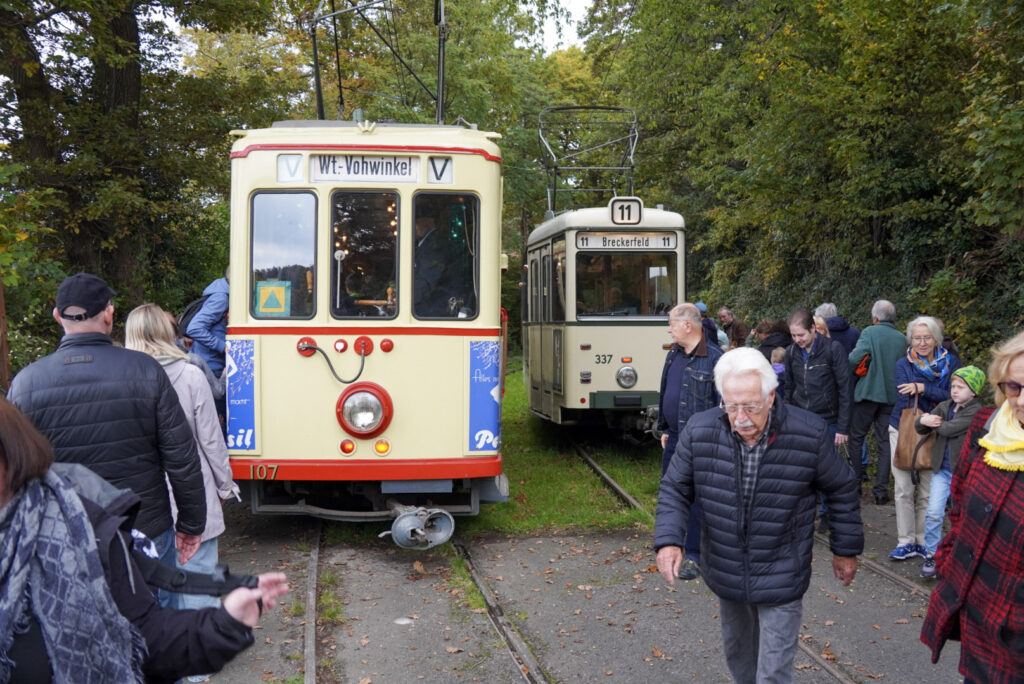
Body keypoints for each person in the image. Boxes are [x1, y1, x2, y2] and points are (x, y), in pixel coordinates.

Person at [0, 396, 288, 683]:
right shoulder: (160, 373)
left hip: (120, 517)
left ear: (11, 452)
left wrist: (224, 624)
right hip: (148, 515)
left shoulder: (81, 528)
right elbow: (188, 452)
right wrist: (202, 510)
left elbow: (145, 634)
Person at [655, 348, 862, 683]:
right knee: (740, 660)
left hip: (782, 569)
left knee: (773, 674)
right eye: (731, 405)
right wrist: (668, 541)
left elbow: (842, 487)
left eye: (750, 406)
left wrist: (845, 549)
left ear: (771, 396)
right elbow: (675, 489)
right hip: (726, 569)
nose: (740, 418)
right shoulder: (700, 430)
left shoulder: (807, 433)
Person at [6, 273, 206, 590]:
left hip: (67, 536)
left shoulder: (26, 384)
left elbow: (14, 473)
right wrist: (192, 525)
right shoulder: (145, 370)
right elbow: (181, 458)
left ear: (58, 317)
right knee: (156, 628)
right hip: (145, 531)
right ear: (109, 314)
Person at [920, 330, 1024, 682]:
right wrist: (947, 560)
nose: (1021, 400)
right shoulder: (987, 428)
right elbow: (960, 505)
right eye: (1014, 387)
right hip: (979, 608)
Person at [125, 306, 238, 617]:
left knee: (155, 578)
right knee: (199, 571)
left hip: (143, 492)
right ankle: (199, 660)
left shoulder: (122, 379)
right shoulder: (190, 374)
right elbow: (211, 440)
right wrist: (225, 487)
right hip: (192, 485)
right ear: (167, 332)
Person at [655, 303, 723, 581]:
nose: (668, 328)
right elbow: (666, 391)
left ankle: (694, 555)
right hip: (674, 438)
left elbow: (722, 407)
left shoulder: (716, 360)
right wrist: (664, 427)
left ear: (688, 325)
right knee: (671, 492)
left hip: (702, 443)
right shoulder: (673, 355)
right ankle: (670, 545)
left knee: (697, 499)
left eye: (672, 322)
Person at [886, 315, 959, 561]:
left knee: (928, 490)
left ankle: (923, 542)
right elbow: (906, 394)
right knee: (903, 488)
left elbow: (954, 396)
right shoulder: (902, 365)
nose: (922, 342)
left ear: (936, 338)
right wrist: (932, 392)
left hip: (937, 430)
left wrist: (924, 388)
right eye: (917, 338)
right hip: (904, 429)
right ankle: (905, 541)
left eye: (927, 337)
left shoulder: (953, 363)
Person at [913, 365, 985, 579]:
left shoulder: (976, 411)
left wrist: (930, 421)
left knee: (961, 516)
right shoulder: (945, 406)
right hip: (941, 471)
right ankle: (932, 554)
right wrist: (922, 420)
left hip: (965, 474)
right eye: (953, 386)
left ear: (973, 391)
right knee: (934, 512)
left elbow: (948, 429)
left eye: (961, 387)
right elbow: (920, 426)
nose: (955, 391)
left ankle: (960, 557)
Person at [847, 300, 907, 504]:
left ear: (875, 318)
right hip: (892, 397)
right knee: (885, 443)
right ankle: (881, 491)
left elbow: (854, 359)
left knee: (856, 437)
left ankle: (855, 485)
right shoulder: (902, 338)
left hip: (868, 393)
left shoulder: (869, 332)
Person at [784, 309, 851, 448]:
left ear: (813, 328)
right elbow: (788, 388)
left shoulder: (833, 349)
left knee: (827, 466)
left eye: (801, 335)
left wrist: (843, 428)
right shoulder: (790, 352)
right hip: (800, 418)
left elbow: (846, 389)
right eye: (793, 335)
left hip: (828, 420)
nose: (797, 340)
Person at [185, 271, 229, 431]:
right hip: (212, 367)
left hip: (212, 364)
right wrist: (223, 347)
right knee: (219, 421)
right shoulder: (221, 298)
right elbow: (194, 328)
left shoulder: (221, 294)